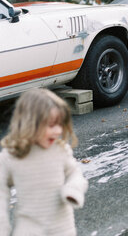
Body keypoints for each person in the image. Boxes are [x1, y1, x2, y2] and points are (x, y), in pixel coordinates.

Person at [0, 88, 88, 235]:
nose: (58, 131)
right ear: (30, 123)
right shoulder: (11, 156)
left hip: (62, 228)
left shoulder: (60, 151)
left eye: (60, 124)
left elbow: (75, 174)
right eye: (52, 125)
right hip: (29, 229)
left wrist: (73, 189)